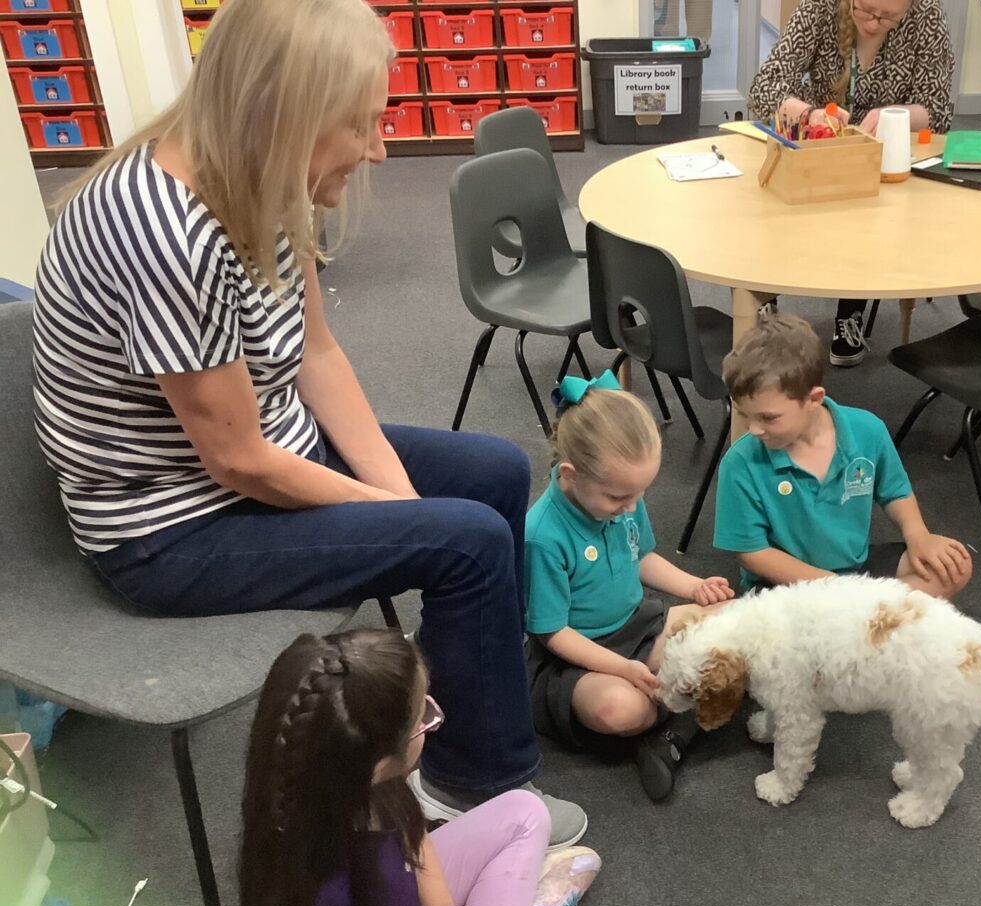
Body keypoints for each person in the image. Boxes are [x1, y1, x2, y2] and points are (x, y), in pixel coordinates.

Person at [29, 0, 585, 846]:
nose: (378, 150)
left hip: (262, 458)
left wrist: (402, 504)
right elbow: (239, 462)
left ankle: (477, 690)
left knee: (497, 473)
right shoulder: (166, 232)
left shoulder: (260, 181)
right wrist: (407, 519)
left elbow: (316, 356)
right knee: (468, 541)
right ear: (281, 117)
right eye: (359, 126)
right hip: (169, 531)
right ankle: (473, 785)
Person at [228, 628, 598, 906]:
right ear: (377, 761)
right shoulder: (322, 889)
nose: (432, 723)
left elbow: (414, 837)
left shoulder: (357, 778)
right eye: (422, 718)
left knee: (525, 811)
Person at [524, 372, 733, 801]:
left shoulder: (622, 496)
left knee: (734, 621)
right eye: (619, 499)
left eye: (639, 495)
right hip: (577, 658)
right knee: (618, 709)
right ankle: (680, 719)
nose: (631, 507)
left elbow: (643, 558)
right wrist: (622, 669)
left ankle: (670, 715)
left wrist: (696, 587)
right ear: (571, 474)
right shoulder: (541, 536)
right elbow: (552, 632)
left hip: (639, 626)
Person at [748, 0, 955, 366]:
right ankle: (765, 301)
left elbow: (937, 110)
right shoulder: (819, 7)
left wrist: (891, 116)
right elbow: (765, 87)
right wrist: (809, 114)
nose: (874, 24)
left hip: (884, 159)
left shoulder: (926, 13)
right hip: (820, 148)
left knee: (875, 212)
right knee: (772, 201)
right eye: (866, 10)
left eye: (888, 17)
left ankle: (851, 310)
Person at [713, 314, 974, 599]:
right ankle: (876, 615)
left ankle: (865, 615)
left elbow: (896, 492)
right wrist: (837, 589)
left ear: (813, 400)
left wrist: (918, 535)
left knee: (954, 567)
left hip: (856, 569)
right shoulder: (740, 463)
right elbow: (751, 553)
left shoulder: (867, 429)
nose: (753, 429)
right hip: (786, 586)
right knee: (780, 621)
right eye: (744, 415)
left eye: (768, 417)